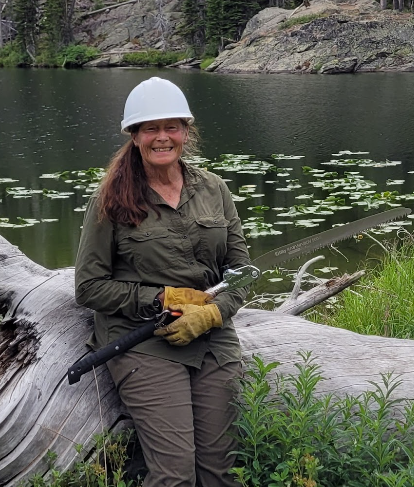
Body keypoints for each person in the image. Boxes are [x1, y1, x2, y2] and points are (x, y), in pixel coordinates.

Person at [74, 77, 251, 487]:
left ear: (186, 132)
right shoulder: (111, 199)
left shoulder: (213, 188)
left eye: (172, 126)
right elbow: (89, 286)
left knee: (222, 471)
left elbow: (241, 272)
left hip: (212, 339)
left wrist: (210, 315)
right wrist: (163, 298)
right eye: (150, 128)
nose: (162, 137)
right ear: (134, 136)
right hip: (143, 341)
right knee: (174, 474)